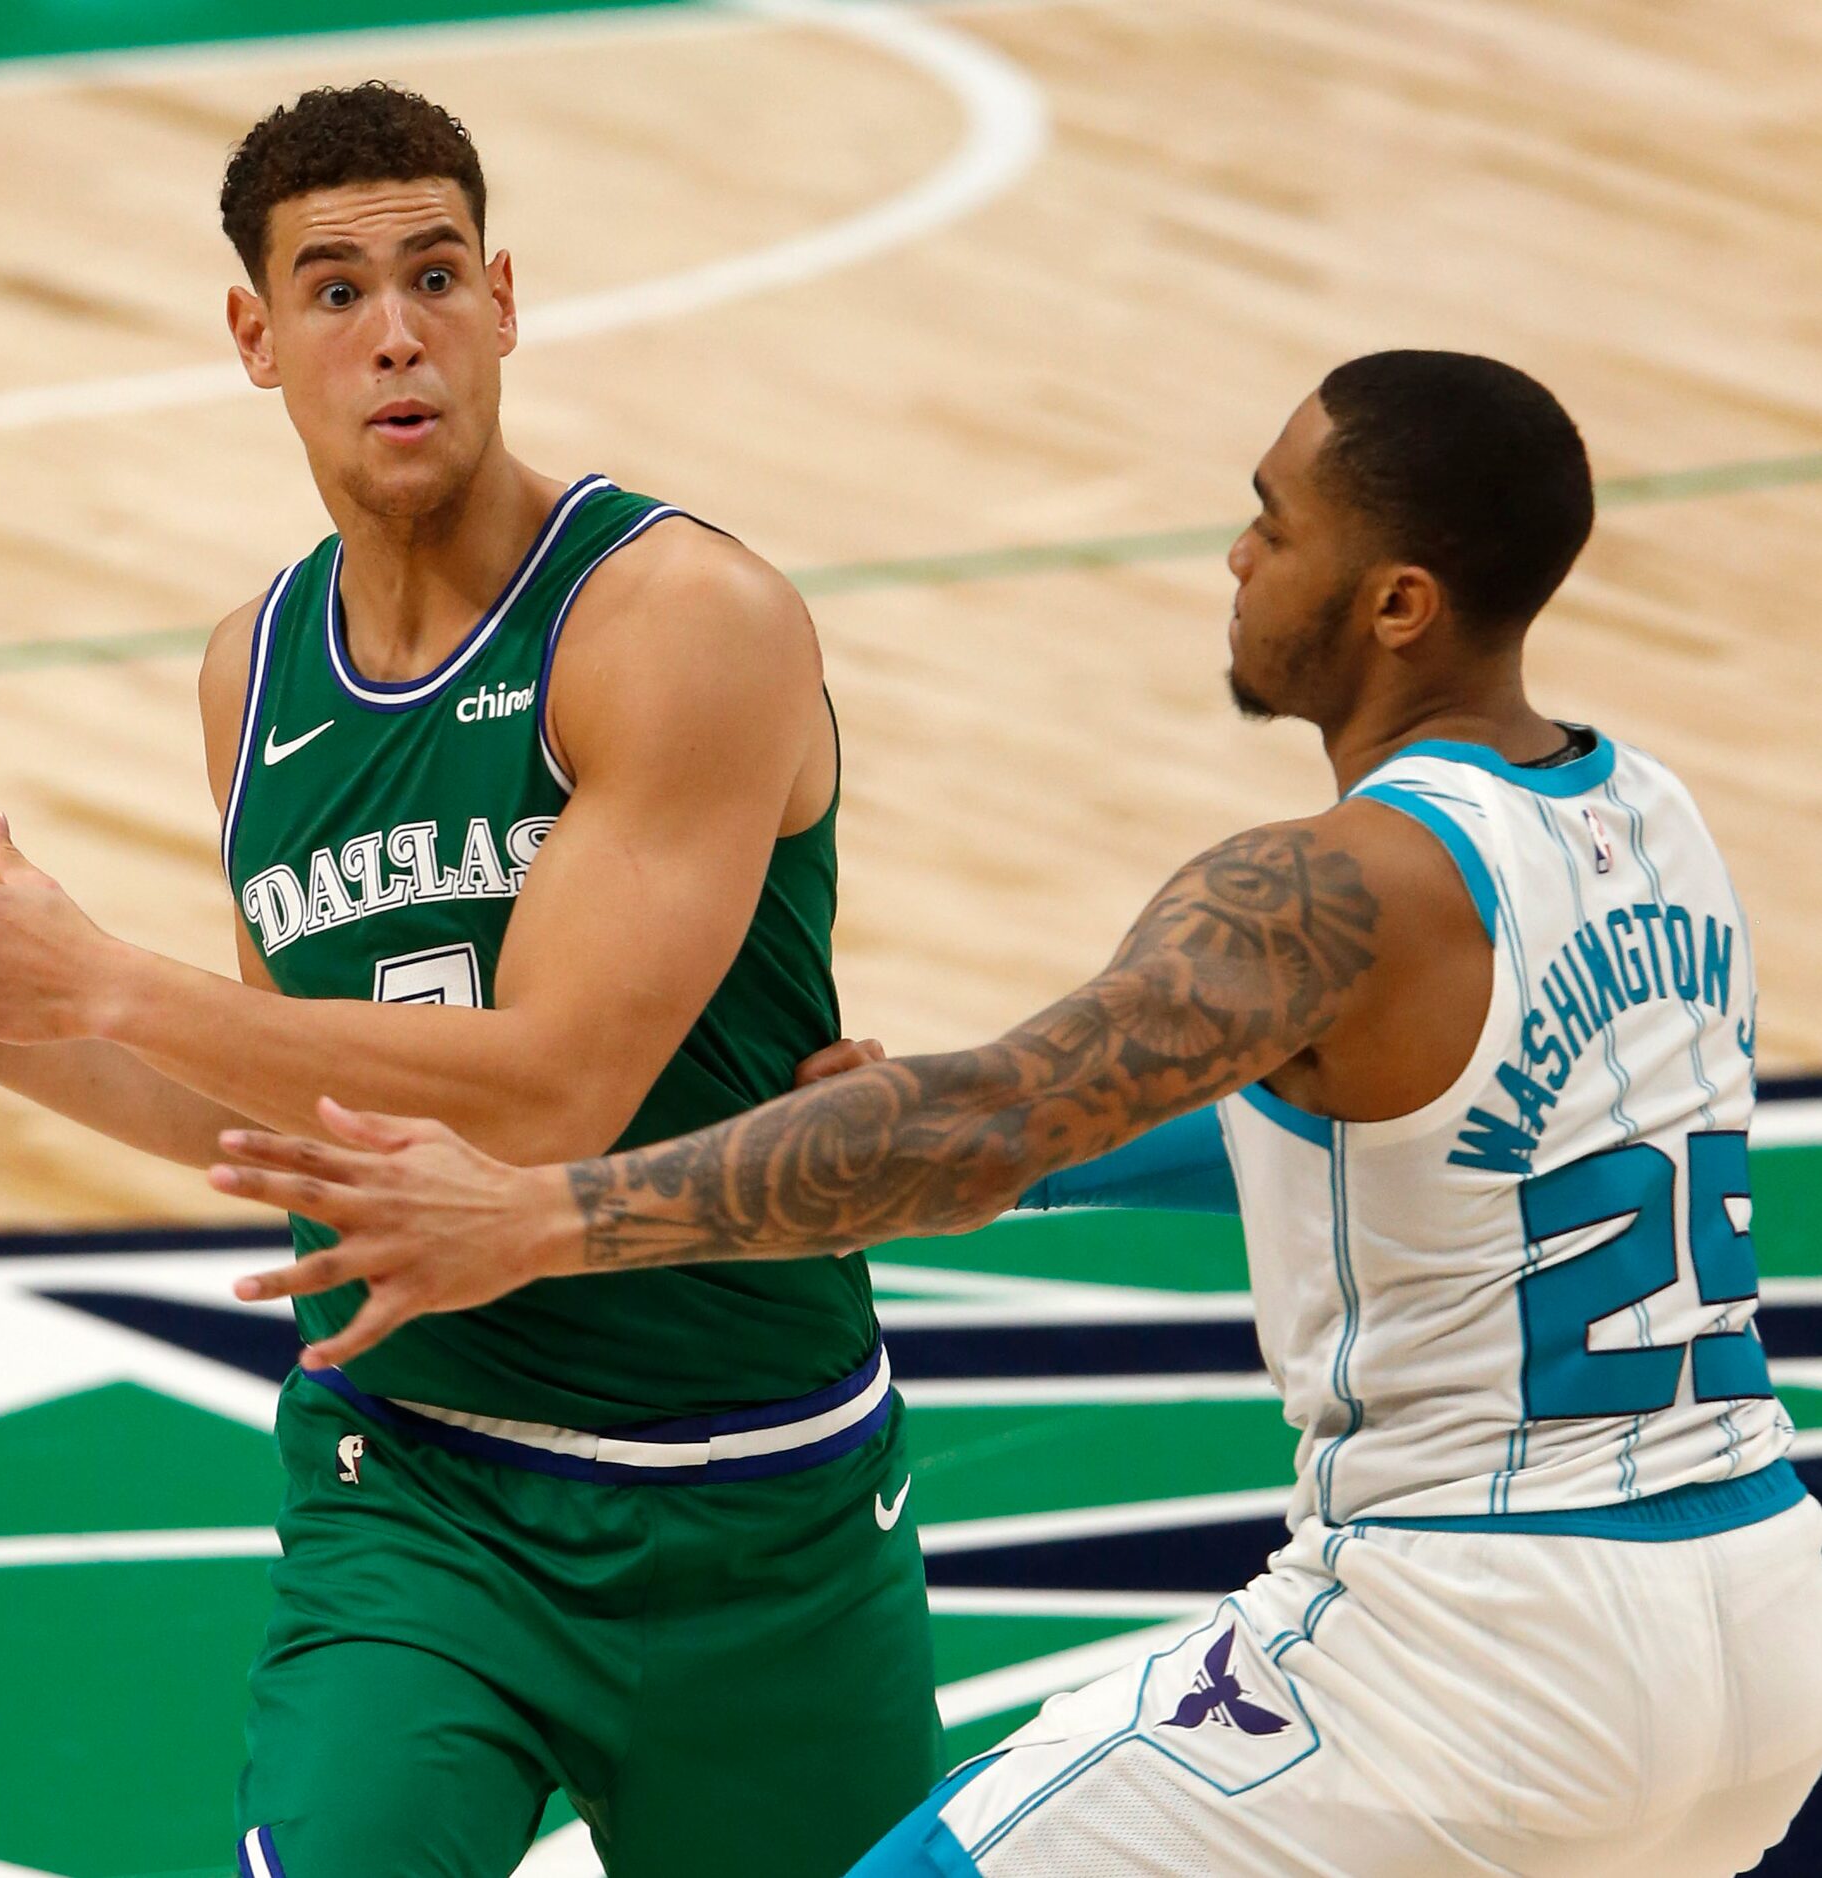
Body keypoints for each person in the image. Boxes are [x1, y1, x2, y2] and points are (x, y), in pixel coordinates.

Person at [211, 352, 1822, 1876]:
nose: (1239, 556)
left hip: (1483, 1637)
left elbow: (988, 1120)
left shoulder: (1325, 889)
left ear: (1399, 604)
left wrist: (541, 1215)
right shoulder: (1651, 815)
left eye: (1276, 521)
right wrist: (1007, 1172)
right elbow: (1398, 1126)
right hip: (1761, 1629)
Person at [0, 82, 940, 1878]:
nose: (395, 335)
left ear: (506, 301)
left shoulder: (680, 619)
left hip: (755, 1506)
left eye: (436, 276)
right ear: (255, 336)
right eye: (333, 291)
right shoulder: (257, 670)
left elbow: (550, 1095)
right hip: (421, 1489)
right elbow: (298, 1119)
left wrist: (109, 981)